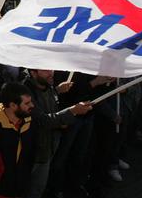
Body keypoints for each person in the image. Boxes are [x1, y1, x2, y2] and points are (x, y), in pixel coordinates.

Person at [23, 69, 92, 198]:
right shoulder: (26, 93)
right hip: (36, 152)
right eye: (45, 70)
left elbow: (51, 105)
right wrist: (72, 112)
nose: (51, 73)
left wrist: (57, 91)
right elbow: (43, 120)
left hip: (49, 146)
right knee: (34, 189)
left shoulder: (48, 85)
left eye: (51, 68)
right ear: (33, 73)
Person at [0, 82, 37, 198]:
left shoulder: (29, 122)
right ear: (13, 105)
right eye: (27, 103)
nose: (32, 106)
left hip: (20, 190)